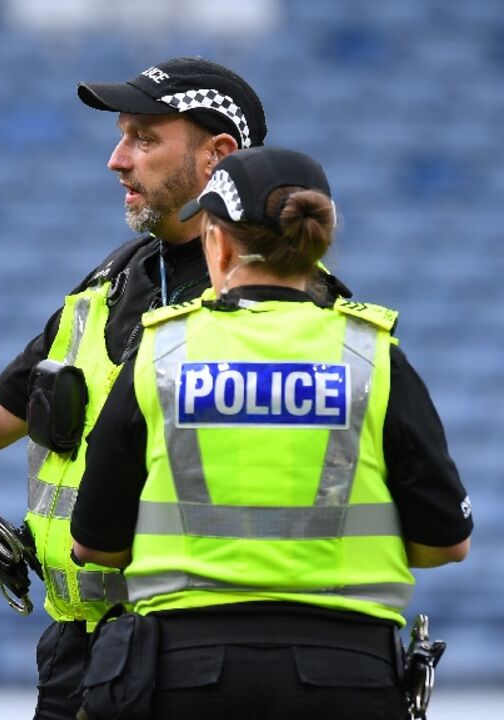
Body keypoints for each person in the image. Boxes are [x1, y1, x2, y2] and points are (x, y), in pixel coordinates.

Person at [0, 57, 333, 720]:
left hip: (204, 657)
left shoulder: (285, 306)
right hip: (83, 653)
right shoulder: (111, 280)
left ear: (218, 157)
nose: (118, 160)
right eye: (122, 136)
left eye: (145, 139)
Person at [71, 145, 473, 720]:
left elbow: (95, 545)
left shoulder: (162, 350)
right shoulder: (372, 354)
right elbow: (446, 542)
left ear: (221, 242)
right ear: (317, 245)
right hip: (347, 674)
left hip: (183, 673)